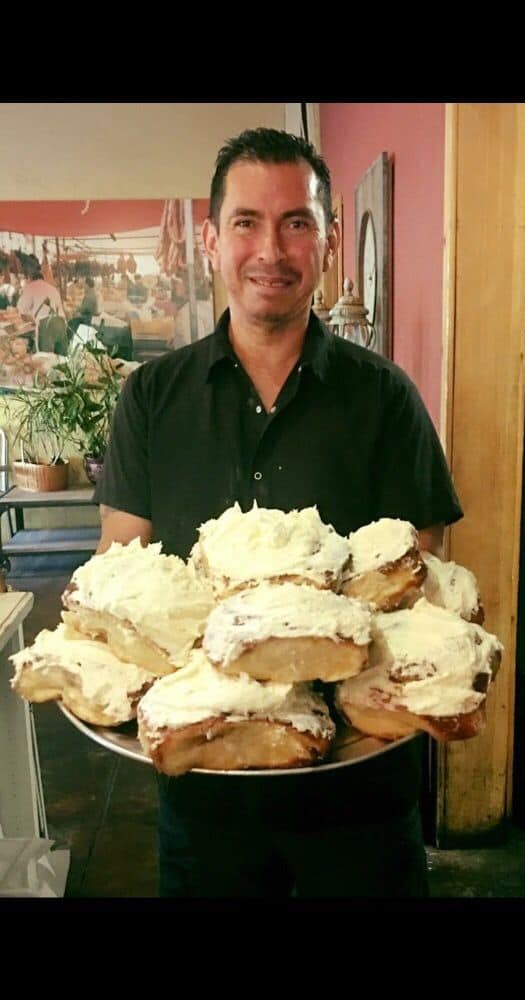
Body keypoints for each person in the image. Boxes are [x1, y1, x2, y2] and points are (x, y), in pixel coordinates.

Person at [94, 127, 463, 898]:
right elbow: (118, 569)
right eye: (246, 222)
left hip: (357, 800)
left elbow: (416, 581)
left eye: (297, 222)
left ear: (327, 243)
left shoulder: (385, 398)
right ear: (209, 240)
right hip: (207, 792)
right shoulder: (151, 400)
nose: (272, 248)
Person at [17, 264, 66, 351]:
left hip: (45, 326)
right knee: (58, 357)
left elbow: (21, 310)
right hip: (61, 324)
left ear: (30, 279)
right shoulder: (53, 289)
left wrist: (31, 319)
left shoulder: (31, 287)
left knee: (44, 356)